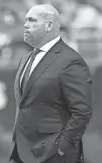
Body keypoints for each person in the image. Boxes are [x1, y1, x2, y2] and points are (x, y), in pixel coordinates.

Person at [9, 4, 92, 163]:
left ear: (49, 25)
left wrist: (62, 148)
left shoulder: (70, 60)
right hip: (22, 151)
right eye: (26, 20)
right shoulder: (25, 59)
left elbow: (82, 111)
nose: (26, 24)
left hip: (53, 154)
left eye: (32, 21)